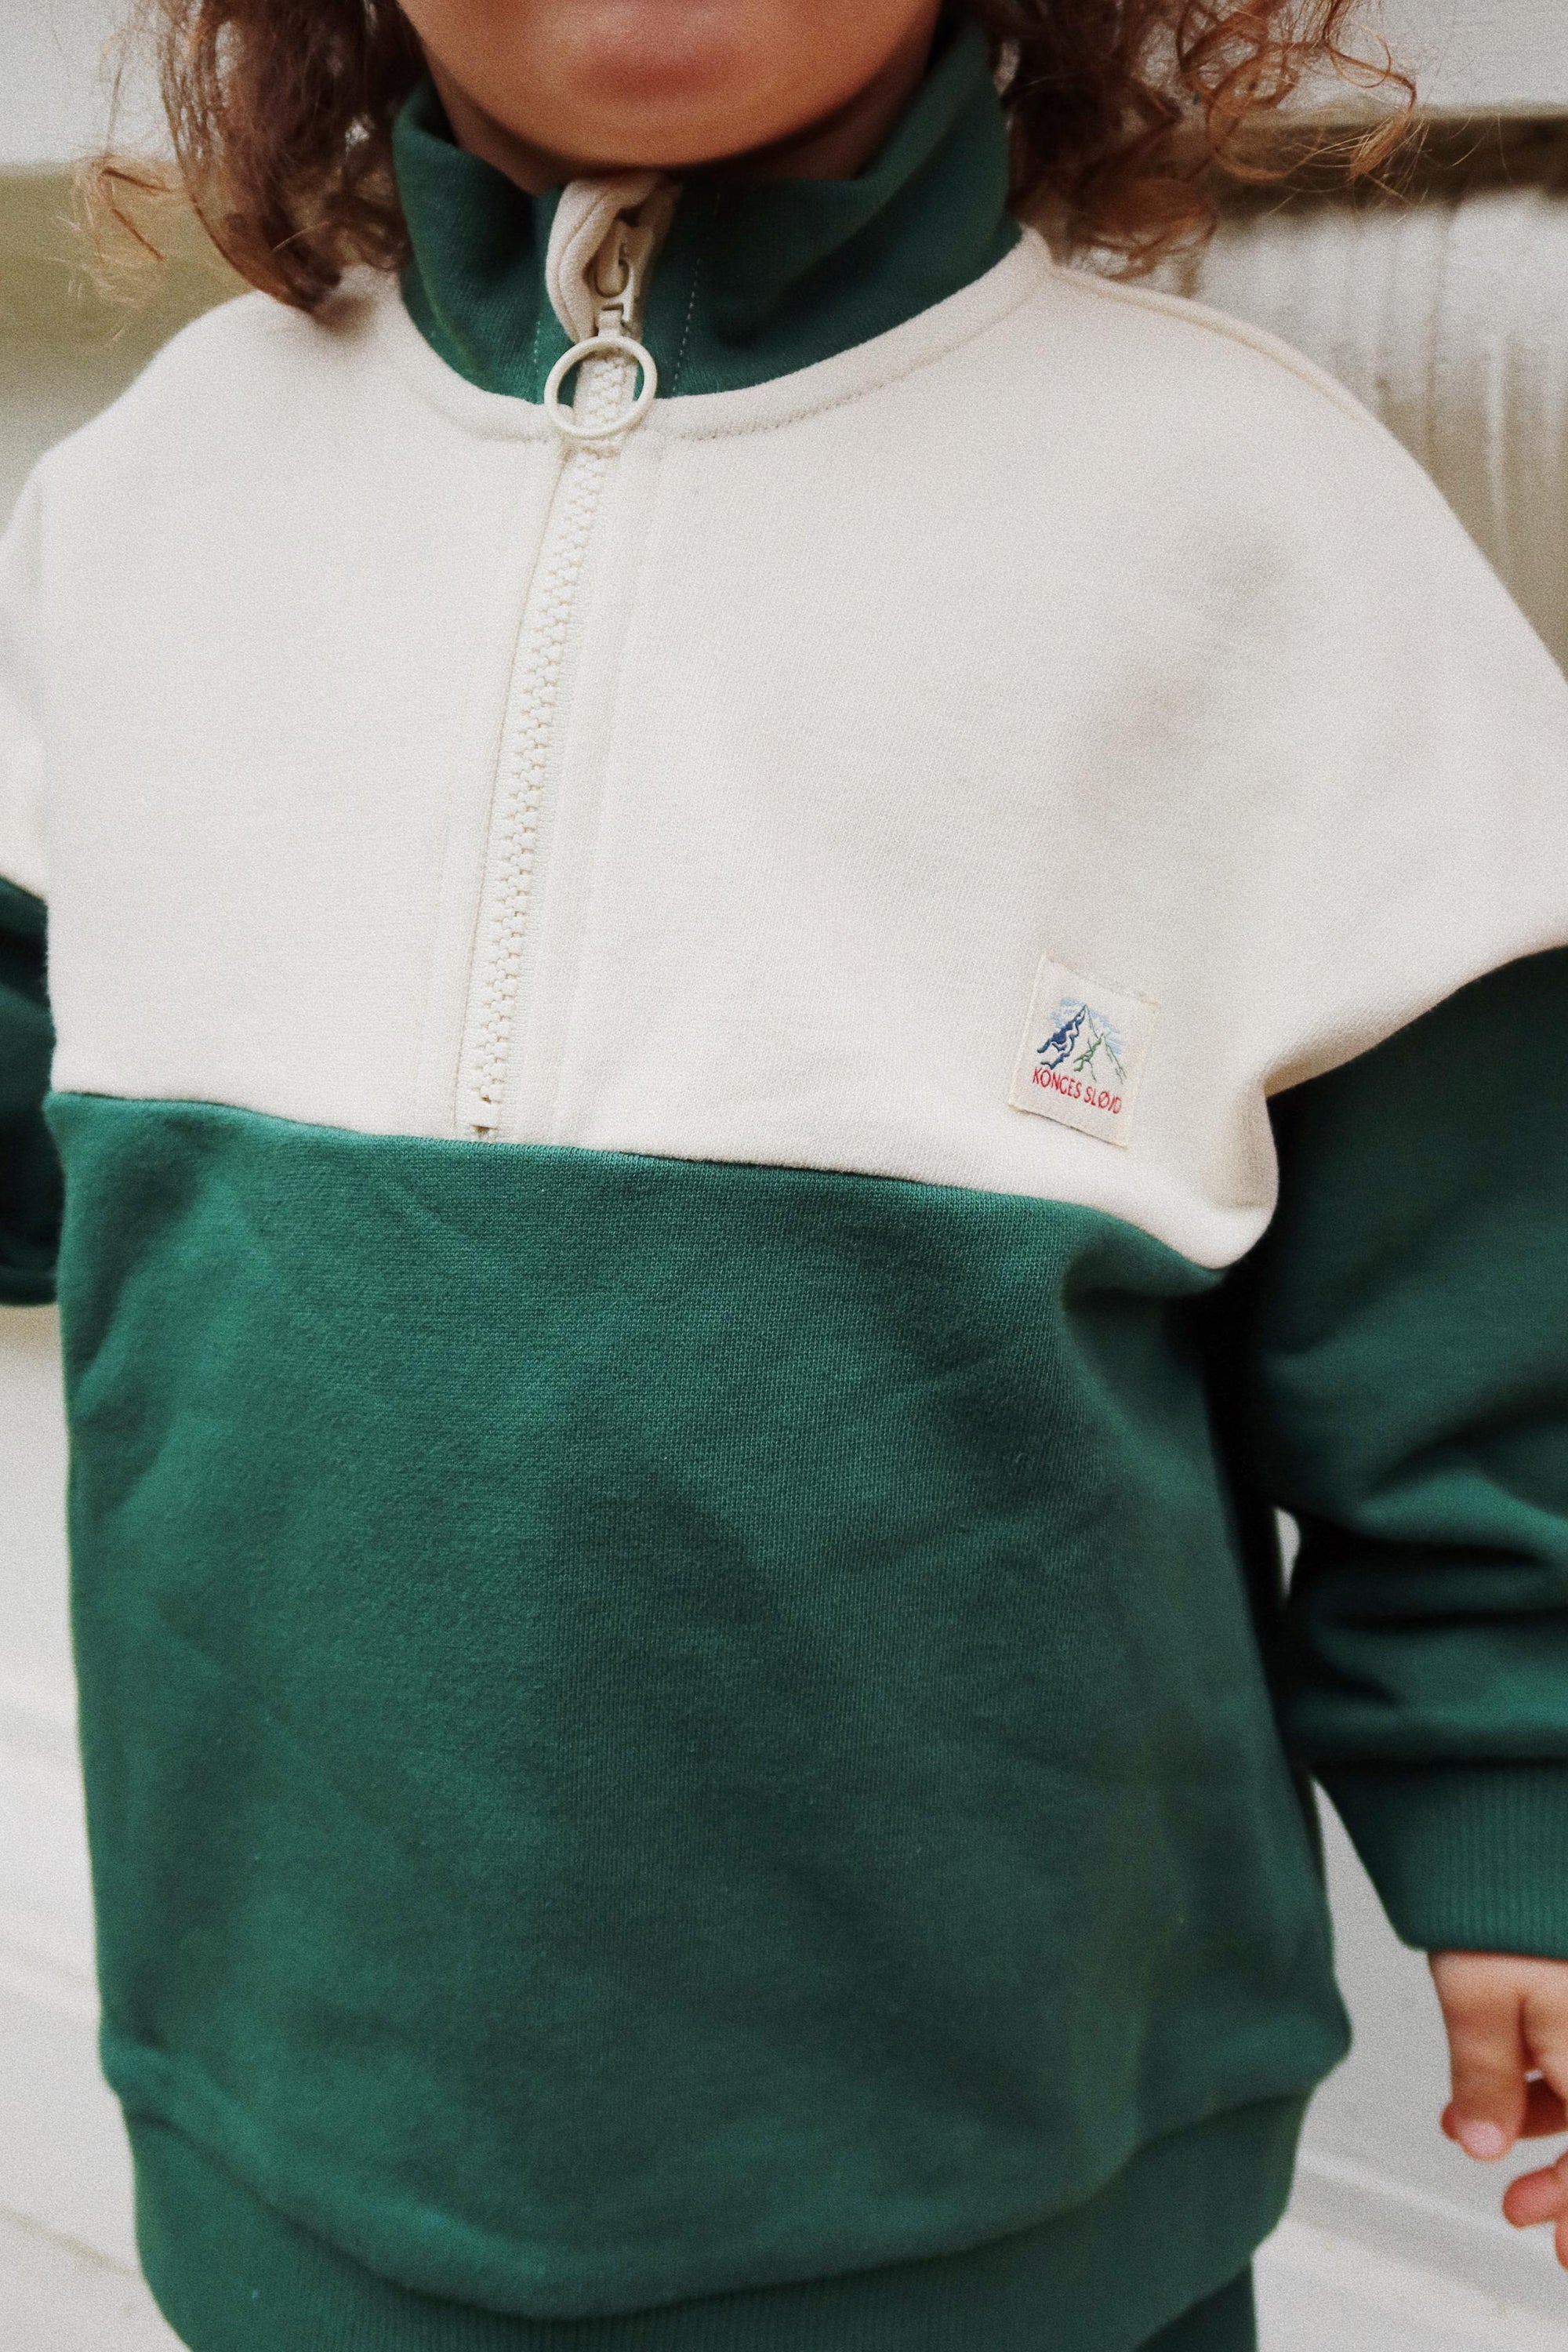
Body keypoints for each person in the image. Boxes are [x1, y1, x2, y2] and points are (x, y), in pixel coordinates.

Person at [3, 2, 1568, 2347]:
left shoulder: (1251, 514)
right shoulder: (148, 500)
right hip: (290, 2137)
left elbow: (1479, 1320)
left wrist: (1524, 1814)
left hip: (1023, 2200)